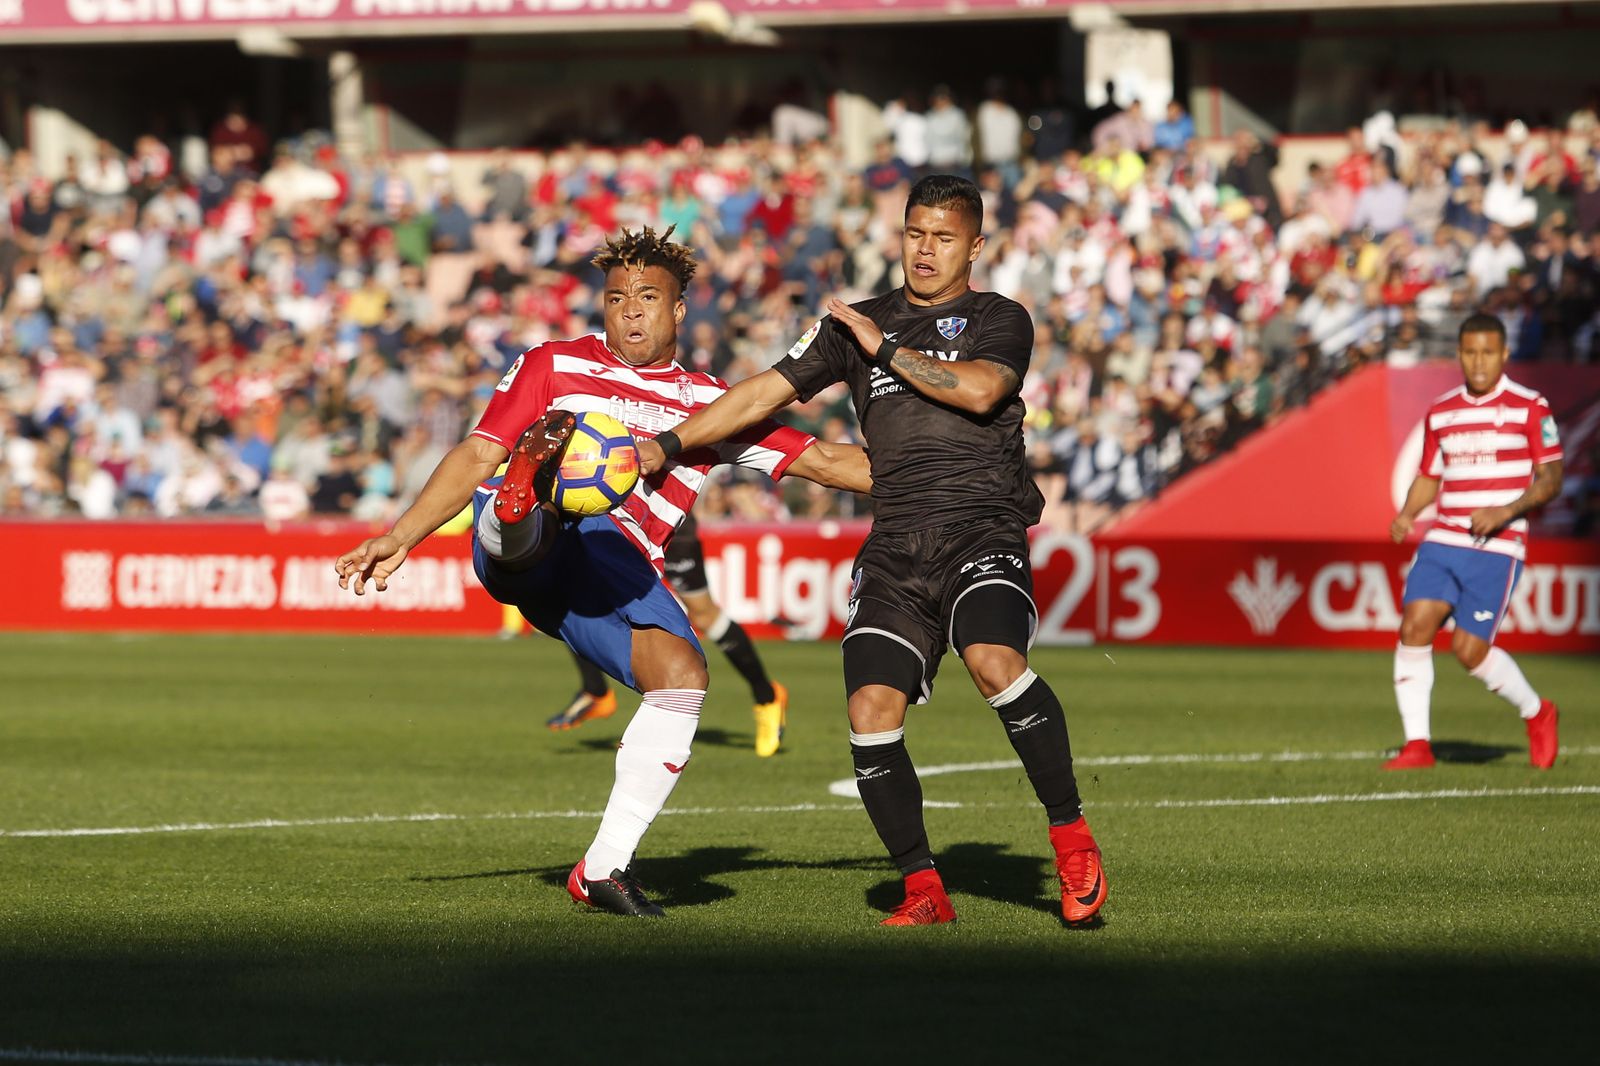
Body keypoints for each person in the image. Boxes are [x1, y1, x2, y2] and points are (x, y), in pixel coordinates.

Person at [335, 225, 871, 917]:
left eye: (649, 296)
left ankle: (604, 869)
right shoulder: (552, 365)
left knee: (683, 677)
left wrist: (960, 472)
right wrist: (402, 534)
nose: (632, 311)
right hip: (542, 544)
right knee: (547, 506)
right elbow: (474, 452)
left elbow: (830, 463)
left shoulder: (713, 405)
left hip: (617, 577)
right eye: (617, 298)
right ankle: (526, 494)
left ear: (680, 310)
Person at [639, 176, 1107, 928]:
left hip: (981, 527)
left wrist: (884, 349)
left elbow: (984, 391)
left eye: (944, 237)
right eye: (915, 233)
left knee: (994, 661)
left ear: (975, 246)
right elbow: (764, 391)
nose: (926, 250)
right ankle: (923, 887)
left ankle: (1071, 835)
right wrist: (667, 443)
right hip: (895, 541)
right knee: (869, 709)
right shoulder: (856, 322)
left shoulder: (998, 317)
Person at [1386, 313, 1563, 771]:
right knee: (1414, 626)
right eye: (1470, 352)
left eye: (1488, 352)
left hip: (1498, 546)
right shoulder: (1442, 410)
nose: (1479, 361)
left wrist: (1505, 512)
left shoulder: (1530, 405)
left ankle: (1537, 711)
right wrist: (1408, 513)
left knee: (1468, 650)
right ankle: (1417, 746)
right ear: (1459, 354)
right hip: (1444, 539)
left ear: (1504, 354)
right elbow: (1429, 476)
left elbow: (1551, 479)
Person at [552, 510, 791, 758]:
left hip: (666, 519)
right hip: (615, 522)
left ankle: (767, 697)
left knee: (704, 615)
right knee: (577, 592)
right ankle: (597, 692)